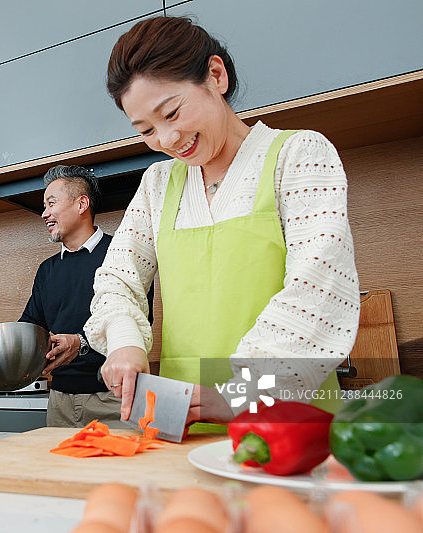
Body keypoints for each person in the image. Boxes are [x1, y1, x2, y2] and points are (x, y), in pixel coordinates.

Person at [85, 16, 360, 428]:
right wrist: (125, 343)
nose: (167, 140)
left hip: (289, 427)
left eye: (172, 113)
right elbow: (117, 279)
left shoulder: (299, 155)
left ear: (216, 75)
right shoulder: (158, 184)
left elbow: (317, 288)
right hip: (184, 424)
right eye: (146, 131)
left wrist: (238, 394)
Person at [20, 165, 153, 428]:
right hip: (58, 401)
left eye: (51, 203)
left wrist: (80, 343)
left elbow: (141, 324)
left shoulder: (121, 255)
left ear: (82, 204)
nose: (44, 213)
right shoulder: (47, 270)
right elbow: (30, 326)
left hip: (113, 399)